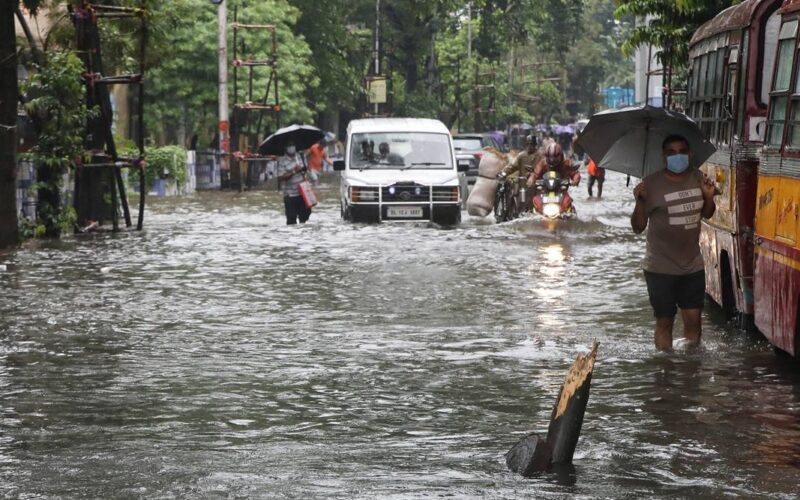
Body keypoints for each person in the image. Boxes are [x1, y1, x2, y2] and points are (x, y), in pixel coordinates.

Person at [631, 134, 716, 351]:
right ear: (664, 156)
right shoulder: (650, 185)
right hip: (660, 267)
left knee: (694, 321)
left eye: (681, 152)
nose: (677, 156)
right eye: (671, 153)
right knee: (665, 321)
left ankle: (688, 374)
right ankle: (666, 371)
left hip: (692, 265)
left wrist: (708, 197)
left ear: (689, 154)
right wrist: (640, 202)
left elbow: (707, 214)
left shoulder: (699, 178)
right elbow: (638, 227)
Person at [497, 135, 542, 212]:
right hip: (523, 185)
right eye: (528, 144)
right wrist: (504, 172)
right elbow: (512, 166)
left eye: (531, 144)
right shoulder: (521, 156)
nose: (529, 146)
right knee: (521, 205)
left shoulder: (541, 156)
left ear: (535, 145)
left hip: (537, 186)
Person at [276, 141, 311, 225]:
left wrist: (304, 170)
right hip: (290, 194)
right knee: (291, 219)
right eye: (289, 145)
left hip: (303, 192)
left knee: (305, 215)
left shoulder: (301, 156)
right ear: (285, 148)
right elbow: (280, 177)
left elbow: (306, 169)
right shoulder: (282, 160)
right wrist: (294, 171)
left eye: (293, 145)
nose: (292, 147)